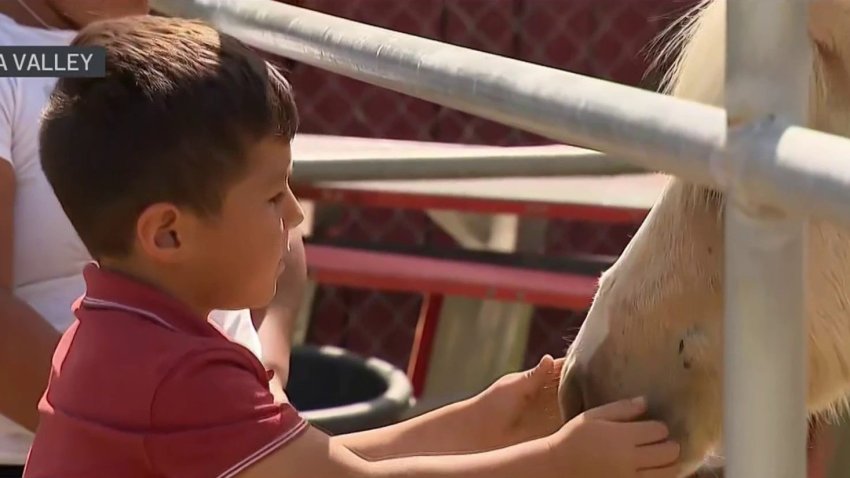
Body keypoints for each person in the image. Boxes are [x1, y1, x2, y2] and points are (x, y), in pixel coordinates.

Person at [22, 15, 681, 478]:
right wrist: (561, 466)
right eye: (273, 196)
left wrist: (482, 420)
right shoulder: (177, 376)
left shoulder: (119, 333)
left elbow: (319, 463)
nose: (294, 215)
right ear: (168, 233)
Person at [0, 1, 303, 474]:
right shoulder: (16, 60)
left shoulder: (169, 54)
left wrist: (268, 377)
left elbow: (279, 220)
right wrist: (168, 432)